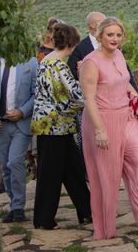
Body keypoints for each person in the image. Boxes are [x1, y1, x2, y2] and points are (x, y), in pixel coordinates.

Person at [80, 17, 138, 240]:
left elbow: (122, 78)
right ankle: (105, 230)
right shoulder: (90, 62)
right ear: (100, 35)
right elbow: (89, 100)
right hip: (101, 121)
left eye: (118, 35)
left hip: (126, 117)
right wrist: (99, 131)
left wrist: (132, 92)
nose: (115, 39)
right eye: (110, 35)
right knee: (107, 178)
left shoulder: (119, 54)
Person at [31, 23, 91, 229]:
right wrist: (83, 74)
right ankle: (43, 220)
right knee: (50, 175)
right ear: (73, 43)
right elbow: (76, 96)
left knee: (73, 171)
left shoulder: (46, 61)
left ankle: (87, 212)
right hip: (54, 127)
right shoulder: (58, 65)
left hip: (56, 127)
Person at [0, 56, 36, 223]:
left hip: (21, 123)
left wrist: (22, 111)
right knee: (5, 165)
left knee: (14, 162)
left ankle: (19, 207)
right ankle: (14, 205)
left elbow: (37, 93)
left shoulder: (31, 62)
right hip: (0, 125)